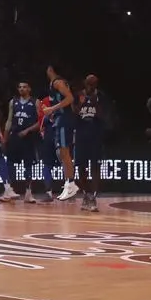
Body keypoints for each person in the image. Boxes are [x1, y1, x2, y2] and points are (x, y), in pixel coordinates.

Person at [64, 74, 105, 210]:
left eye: (93, 84)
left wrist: (94, 102)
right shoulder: (77, 96)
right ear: (85, 83)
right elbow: (74, 113)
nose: (90, 86)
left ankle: (93, 197)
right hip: (81, 136)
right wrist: (80, 104)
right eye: (88, 84)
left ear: (96, 85)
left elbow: (102, 115)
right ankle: (86, 194)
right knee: (81, 167)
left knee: (95, 167)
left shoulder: (100, 97)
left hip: (95, 136)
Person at [41, 65, 76, 203]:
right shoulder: (55, 83)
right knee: (62, 153)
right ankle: (69, 184)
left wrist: (51, 109)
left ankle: (71, 184)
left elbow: (70, 99)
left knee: (64, 152)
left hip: (64, 120)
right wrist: (52, 113)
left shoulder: (58, 82)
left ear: (50, 69)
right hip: (60, 119)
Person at [3, 80, 42, 203]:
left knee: (28, 165)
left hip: (29, 137)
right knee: (10, 163)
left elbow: (40, 122)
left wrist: (27, 130)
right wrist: (5, 137)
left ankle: (28, 192)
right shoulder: (13, 102)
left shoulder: (35, 102)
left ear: (29, 89)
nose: (22, 89)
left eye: (24, 87)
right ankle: (9, 190)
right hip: (15, 136)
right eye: (20, 87)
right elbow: (9, 120)